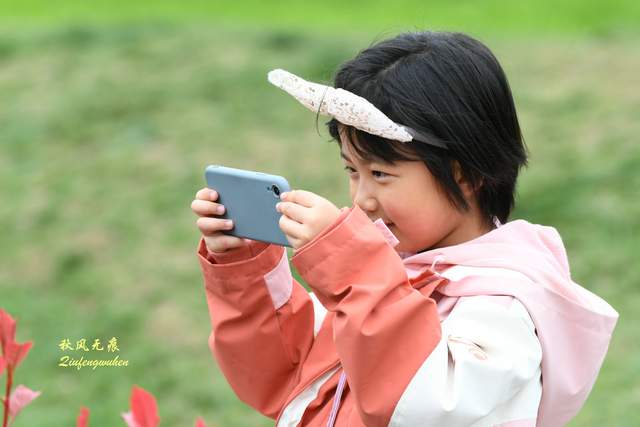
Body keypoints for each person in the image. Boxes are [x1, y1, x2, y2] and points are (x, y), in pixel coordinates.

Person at [191, 31, 618, 427]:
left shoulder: (503, 306)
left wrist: (352, 266)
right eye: (352, 171)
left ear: (465, 175)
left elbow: (425, 405)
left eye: (380, 173)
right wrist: (243, 265)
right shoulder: (381, 277)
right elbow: (285, 378)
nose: (362, 199)